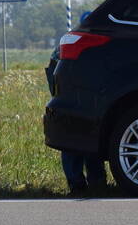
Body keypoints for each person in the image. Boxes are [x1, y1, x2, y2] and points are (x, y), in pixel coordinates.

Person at [46, 31, 107, 196]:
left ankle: (86, 183)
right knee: (79, 123)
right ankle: (89, 183)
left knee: (79, 125)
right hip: (75, 63)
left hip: (69, 61)